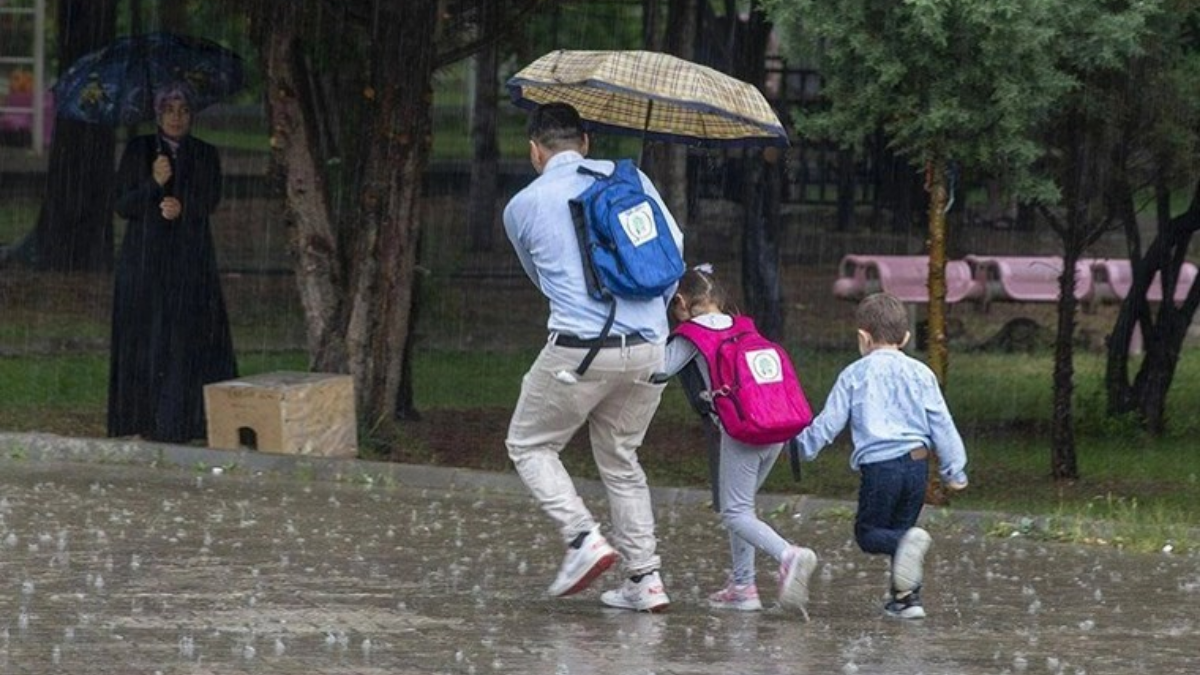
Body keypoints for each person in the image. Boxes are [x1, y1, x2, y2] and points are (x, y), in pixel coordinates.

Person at [502, 102, 683, 613]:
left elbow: (540, 279)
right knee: (622, 460)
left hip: (580, 350)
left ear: (535, 152)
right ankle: (646, 580)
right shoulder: (633, 182)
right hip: (651, 347)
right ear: (586, 142)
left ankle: (583, 538)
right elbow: (674, 254)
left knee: (530, 444)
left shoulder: (522, 205)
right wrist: (649, 317)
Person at [654, 265, 818, 614]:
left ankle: (789, 555)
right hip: (775, 427)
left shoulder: (692, 334)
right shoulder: (743, 326)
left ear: (681, 301)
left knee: (735, 512)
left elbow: (658, 370)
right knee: (742, 508)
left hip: (741, 430)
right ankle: (743, 586)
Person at [794, 292, 968, 619]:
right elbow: (942, 422)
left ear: (863, 337)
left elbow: (829, 423)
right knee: (903, 532)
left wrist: (802, 447)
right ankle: (907, 600)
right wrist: (954, 470)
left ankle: (905, 557)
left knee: (870, 533)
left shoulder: (855, 374)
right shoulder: (922, 373)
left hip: (881, 468)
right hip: (918, 464)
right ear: (905, 337)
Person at [107, 82, 237, 443]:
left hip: (189, 259)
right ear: (158, 114)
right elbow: (122, 205)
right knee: (148, 338)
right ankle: (144, 419)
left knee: (186, 337)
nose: (176, 118)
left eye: (183, 110)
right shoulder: (140, 150)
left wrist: (183, 207)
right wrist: (154, 184)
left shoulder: (205, 153)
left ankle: (185, 421)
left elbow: (210, 198)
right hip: (146, 260)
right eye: (169, 110)